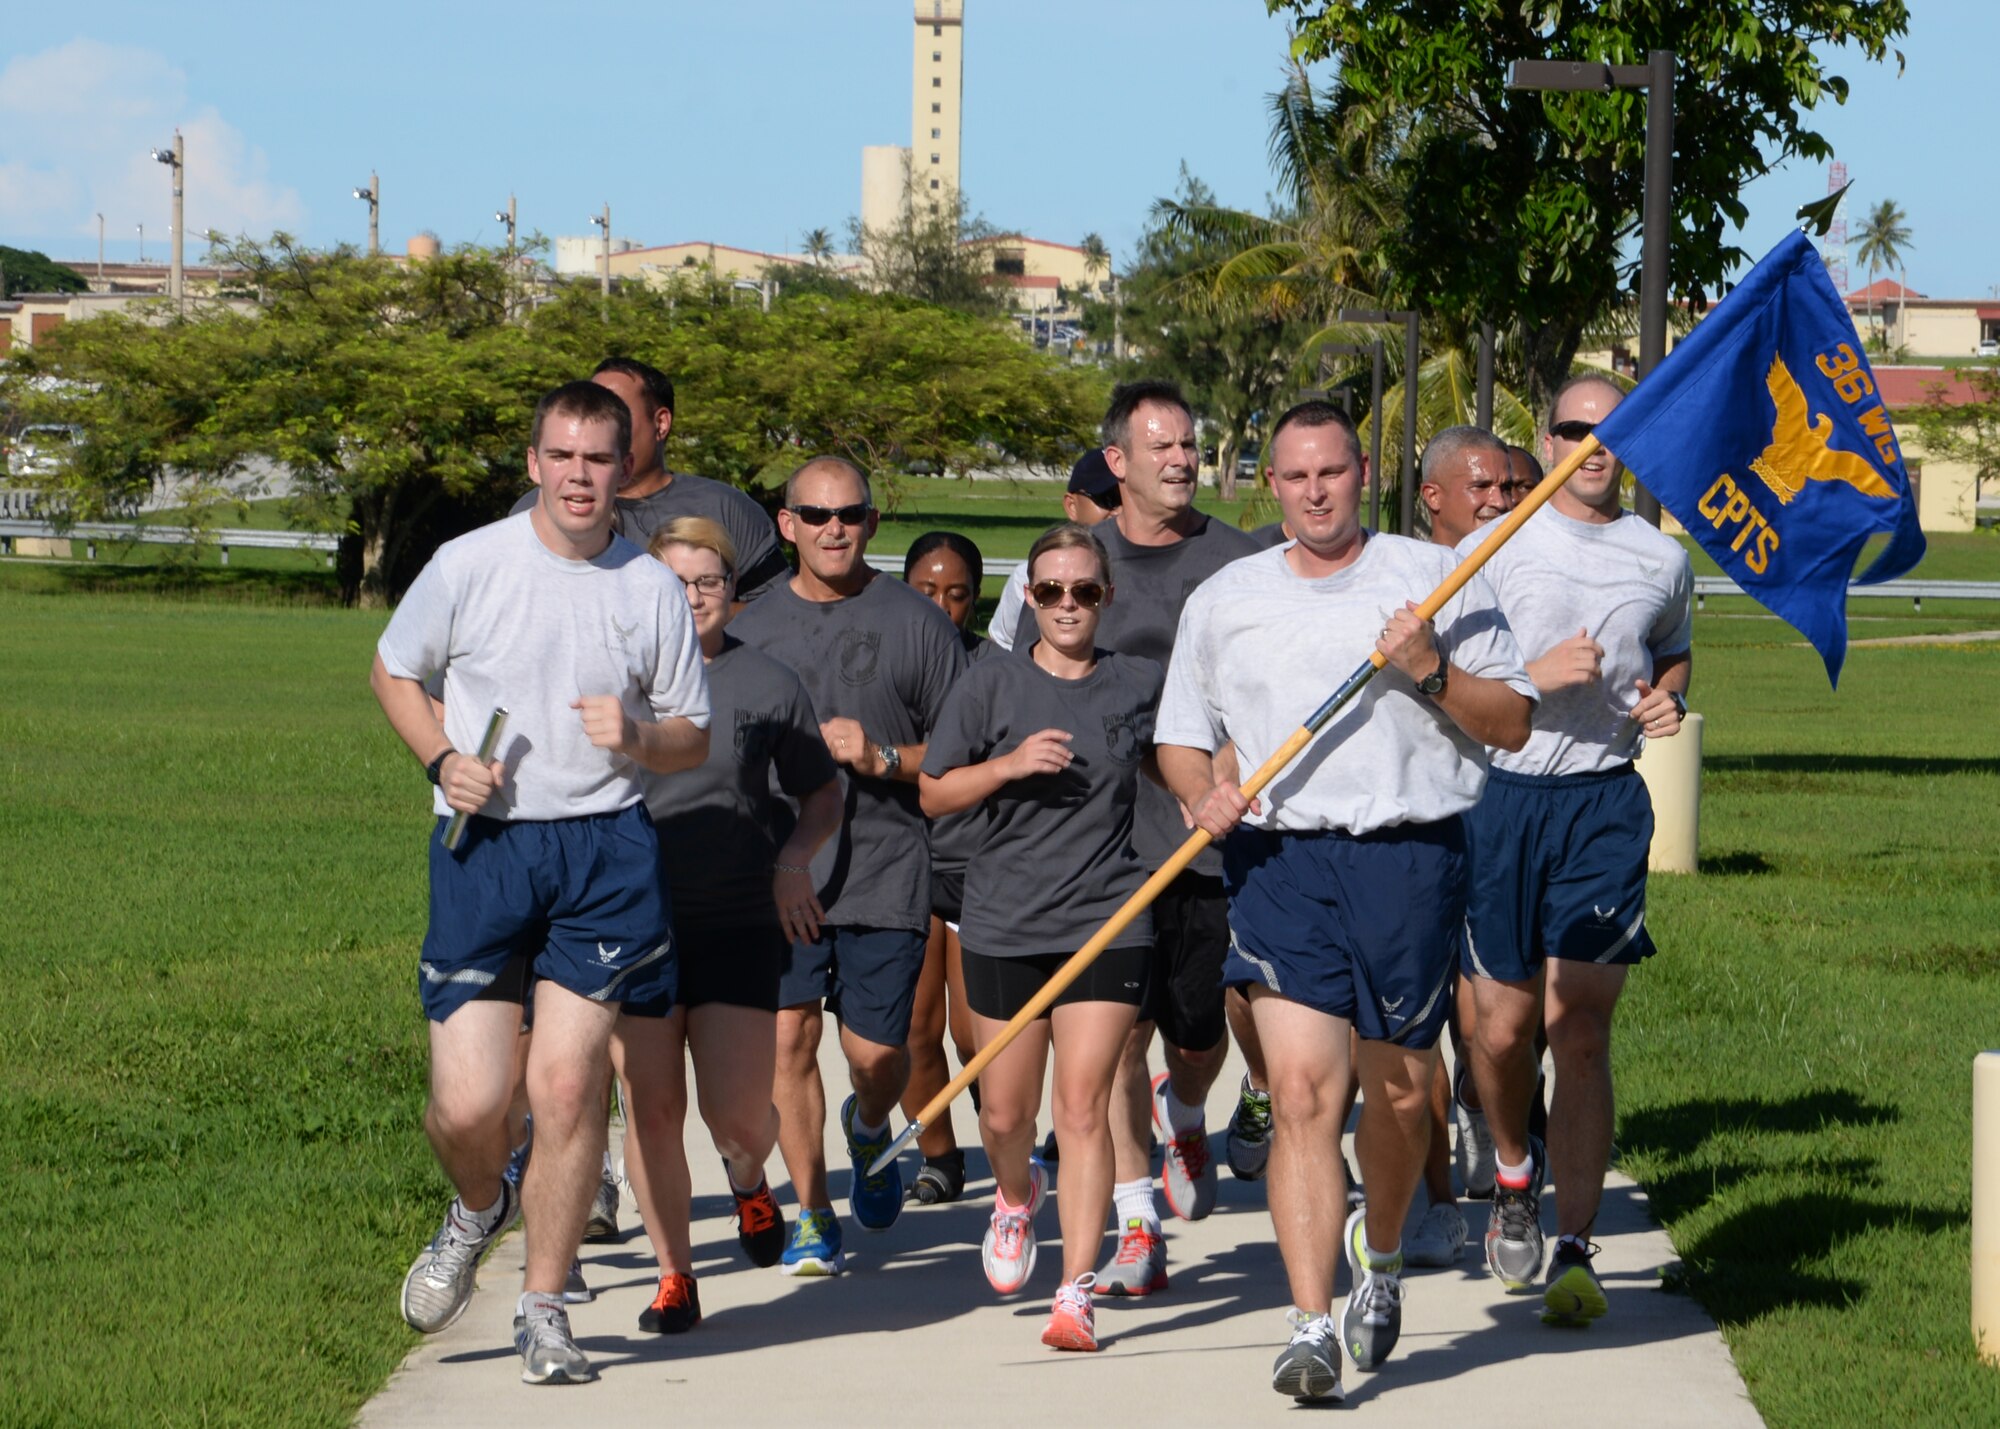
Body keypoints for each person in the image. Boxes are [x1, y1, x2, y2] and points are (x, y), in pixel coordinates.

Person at [1154, 399, 1534, 1403]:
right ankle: (1309, 1324)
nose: (1315, 492)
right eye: (1295, 476)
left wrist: (1430, 669)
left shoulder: (1434, 576)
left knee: (1400, 1093)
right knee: (1302, 1095)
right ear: (1270, 483)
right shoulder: (1227, 597)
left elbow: (1511, 723)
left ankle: (1383, 1251)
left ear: (1362, 473)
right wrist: (1201, 793)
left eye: (1331, 472)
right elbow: (1180, 737)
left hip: (1409, 858)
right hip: (1279, 863)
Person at [372, 380, 711, 1385]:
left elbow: (692, 735)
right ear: (533, 463)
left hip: (604, 852)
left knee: (565, 1086)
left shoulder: (649, 587)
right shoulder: (468, 563)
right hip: (486, 847)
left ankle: (545, 1306)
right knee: (468, 1107)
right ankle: (479, 1206)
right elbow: (394, 671)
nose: (578, 476)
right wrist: (442, 758)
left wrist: (637, 733)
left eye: (597, 458)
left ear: (625, 467)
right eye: (560, 456)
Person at [1457, 376, 1693, 1326]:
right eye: (1576, 429)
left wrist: (1669, 695)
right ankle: (1515, 1170)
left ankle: (1576, 1246)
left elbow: (1672, 648)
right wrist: (1530, 676)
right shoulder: (1494, 545)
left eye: (1614, 428)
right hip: (1502, 800)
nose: (1596, 444)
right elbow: (1434, 671)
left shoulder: (1660, 557)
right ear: (1547, 442)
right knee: (1502, 1031)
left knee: (1580, 1029)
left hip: (1603, 802)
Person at [920, 521, 1165, 1354]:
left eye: (1084, 590)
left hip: (1107, 919)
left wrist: (1213, 787)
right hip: (1005, 920)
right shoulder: (989, 682)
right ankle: (1016, 1196)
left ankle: (1075, 1290)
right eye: (1052, 590)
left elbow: (1179, 757)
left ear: (1106, 597)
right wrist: (1007, 766)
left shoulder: (1136, 682)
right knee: (1004, 1111)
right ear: (1028, 597)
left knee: (1083, 1105)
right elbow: (933, 792)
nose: (1068, 604)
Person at [730, 456, 966, 1274]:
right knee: (788, 1038)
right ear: (786, 524)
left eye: (849, 513)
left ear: (871, 522)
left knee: (876, 1057)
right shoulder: (751, 628)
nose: (834, 528)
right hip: (781, 876)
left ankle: (868, 1130)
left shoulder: (919, 625)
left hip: (885, 869)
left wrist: (881, 755)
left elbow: (962, 753)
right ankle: (812, 1211)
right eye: (815, 514)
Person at [613, 517, 845, 1334]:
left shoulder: (768, 682)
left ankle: (749, 1180)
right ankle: (674, 1273)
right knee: (651, 1107)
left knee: (740, 1116)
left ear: (731, 591)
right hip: (633, 921)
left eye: (707, 580)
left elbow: (821, 792)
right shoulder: (615, 681)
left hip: (738, 918)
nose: (691, 596)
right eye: (674, 581)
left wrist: (795, 861)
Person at [1060, 381, 1262, 1301]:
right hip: (1103, 841)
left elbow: (1269, 688)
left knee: (1197, 1030)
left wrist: (1216, 769)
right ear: (1118, 462)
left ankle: (1184, 1107)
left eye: (1189, 443)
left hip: (1210, 836)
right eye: (1162, 446)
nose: (1181, 459)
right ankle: (1137, 1223)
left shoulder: (1240, 561)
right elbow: (1031, 679)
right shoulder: (1075, 563)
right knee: (1114, 1035)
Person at [1401, 425, 1521, 1269]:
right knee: (1417, 1023)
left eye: (1508, 487)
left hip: (1508, 810)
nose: (1499, 500)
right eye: (1481, 487)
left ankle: (1488, 1109)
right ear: (1433, 497)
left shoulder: (1528, 567)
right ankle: (1439, 1202)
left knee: (1489, 1023)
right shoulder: (1399, 577)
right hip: (1417, 818)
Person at [511, 356, 790, 605]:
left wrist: (700, 616)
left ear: (661, 423)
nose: (598, 423)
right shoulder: (536, 509)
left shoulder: (726, 509)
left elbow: (779, 612)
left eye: (615, 411)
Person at [899, 531, 990, 1205]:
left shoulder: (995, 670)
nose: (940, 606)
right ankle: (939, 1157)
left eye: (956, 594)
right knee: (913, 1029)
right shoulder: (885, 663)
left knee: (973, 1035)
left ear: (975, 600)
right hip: (902, 862)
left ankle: (1006, 1133)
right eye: (926, 591)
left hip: (978, 864)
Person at [986, 449, 1121, 651]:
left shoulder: (1152, 574)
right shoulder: (1027, 576)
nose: (1119, 510)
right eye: (1108, 499)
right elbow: (1001, 646)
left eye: (1130, 499)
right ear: (1072, 506)